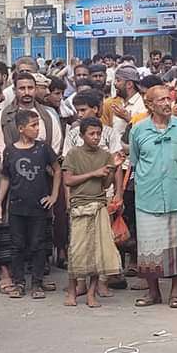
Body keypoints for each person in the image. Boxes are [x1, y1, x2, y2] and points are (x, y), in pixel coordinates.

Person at [129, 85, 177, 308]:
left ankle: (175, 293)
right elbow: (135, 162)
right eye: (161, 100)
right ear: (149, 105)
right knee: (150, 247)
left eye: (169, 99)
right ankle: (153, 293)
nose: (167, 103)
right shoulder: (138, 130)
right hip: (148, 198)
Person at [0, 110, 61, 300]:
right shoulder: (10, 150)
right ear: (21, 128)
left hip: (39, 206)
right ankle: (19, 282)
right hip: (16, 206)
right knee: (17, 245)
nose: (37, 129)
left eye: (38, 124)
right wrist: (0, 202)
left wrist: (54, 195)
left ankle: (37, 282)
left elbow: (57, 170)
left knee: (38, 244)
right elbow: (5, 177)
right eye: (33, 125)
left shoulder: (43, 149)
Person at [61, 116, 124, 308]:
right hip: (79, 206)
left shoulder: (104, 155)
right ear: (82, 135)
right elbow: (68, 181)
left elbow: (105, 184)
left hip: (98, 205)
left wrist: (112, 168)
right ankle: (72, 291)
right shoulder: (73, 154)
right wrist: (93, 173)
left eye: (98, 134)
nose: (96, 137)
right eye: (92, 134)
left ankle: (91, 293)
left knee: (98, 252)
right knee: (77, 250)